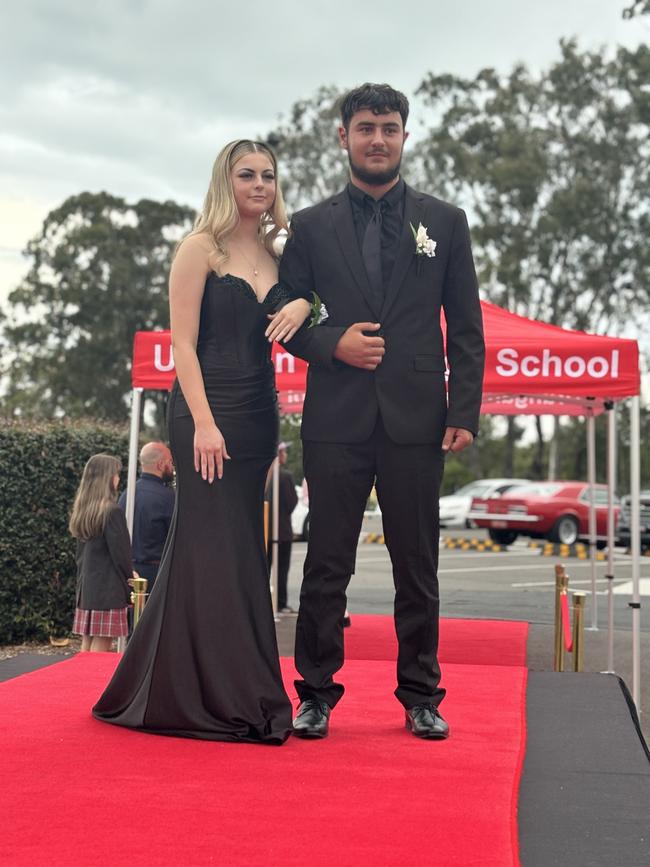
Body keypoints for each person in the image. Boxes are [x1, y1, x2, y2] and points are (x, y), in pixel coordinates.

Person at [280, 83, 485, 740]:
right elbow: (281, 313)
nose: (377, 138)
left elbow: (468, 326)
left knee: (417, 564)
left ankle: (421, 693)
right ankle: (314, 692)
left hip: (417, 419)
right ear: (343, 136)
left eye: (389, 127)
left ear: (404, 136)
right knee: (326, 564)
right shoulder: (309, 227)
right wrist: (329, 342)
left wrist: (465, 409)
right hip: (336, 416)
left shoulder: (446, 221)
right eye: (365, 127)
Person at [93, 140, 312, 744]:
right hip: (204, 413)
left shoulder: (275, 252)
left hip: (258, 417)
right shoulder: (199, 248)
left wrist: (301, 300)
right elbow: (182, 345)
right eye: (247, 174)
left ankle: (218, 685)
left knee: (240, 546)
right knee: (212, 544)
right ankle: (214, 694)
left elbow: (309, 311)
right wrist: (205, 421)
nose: (260, 184)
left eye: (268, 175)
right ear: (226, 181)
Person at [70, 454, 132, 652]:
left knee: (87, 644)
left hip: (87, 587)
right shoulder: (112, 511)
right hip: (108, 589)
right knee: (101, 646)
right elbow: (121, 555)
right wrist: (130, 578)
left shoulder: (83, 511)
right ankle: (92, 684)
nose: (118, 479)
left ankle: (79, 683)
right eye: (116, 474)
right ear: (107, 478)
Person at [117, 441, 175, 592]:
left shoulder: (126, 495)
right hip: (157, 576)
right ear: (161, 464)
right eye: (170, 461)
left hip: (127, 573)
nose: (172, 466)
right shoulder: (168, 498)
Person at [267, 442, 298, 614]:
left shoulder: (265, 474)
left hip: (265, 531)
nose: (286, 454)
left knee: (265, 568)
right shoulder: (285, 477)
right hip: (282, 532)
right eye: (284, 451)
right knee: (281, 570)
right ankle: (280, 602)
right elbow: (292, 502)